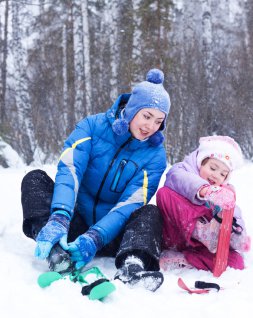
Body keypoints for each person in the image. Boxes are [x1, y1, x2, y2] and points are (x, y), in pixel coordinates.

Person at [21, 68, 170, 292]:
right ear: (131, 110)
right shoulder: (92, 127)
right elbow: (70, 170)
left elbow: (130, 204)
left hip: (113, 236)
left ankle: (133, 266)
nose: (150, 126)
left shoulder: (155, 156)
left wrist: (96, 237)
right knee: (34, 179)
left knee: (150, 212)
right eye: (146, 116)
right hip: (75, 223)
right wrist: (60, 218)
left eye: (158, 121)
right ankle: (57, 253)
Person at [156, 135, 251, 271]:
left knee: (236, 261)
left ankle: (183, 259)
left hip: (199, 245)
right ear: (201, 162)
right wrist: (205, 190)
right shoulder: (183, 170)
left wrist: (238, 234)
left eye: (223, 174)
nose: (216, 175)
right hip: (175, 234)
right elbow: (176, 178)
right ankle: (201, 231)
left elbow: (234, 214)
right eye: (213, 168)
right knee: (165, 194)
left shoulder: (223, 192)